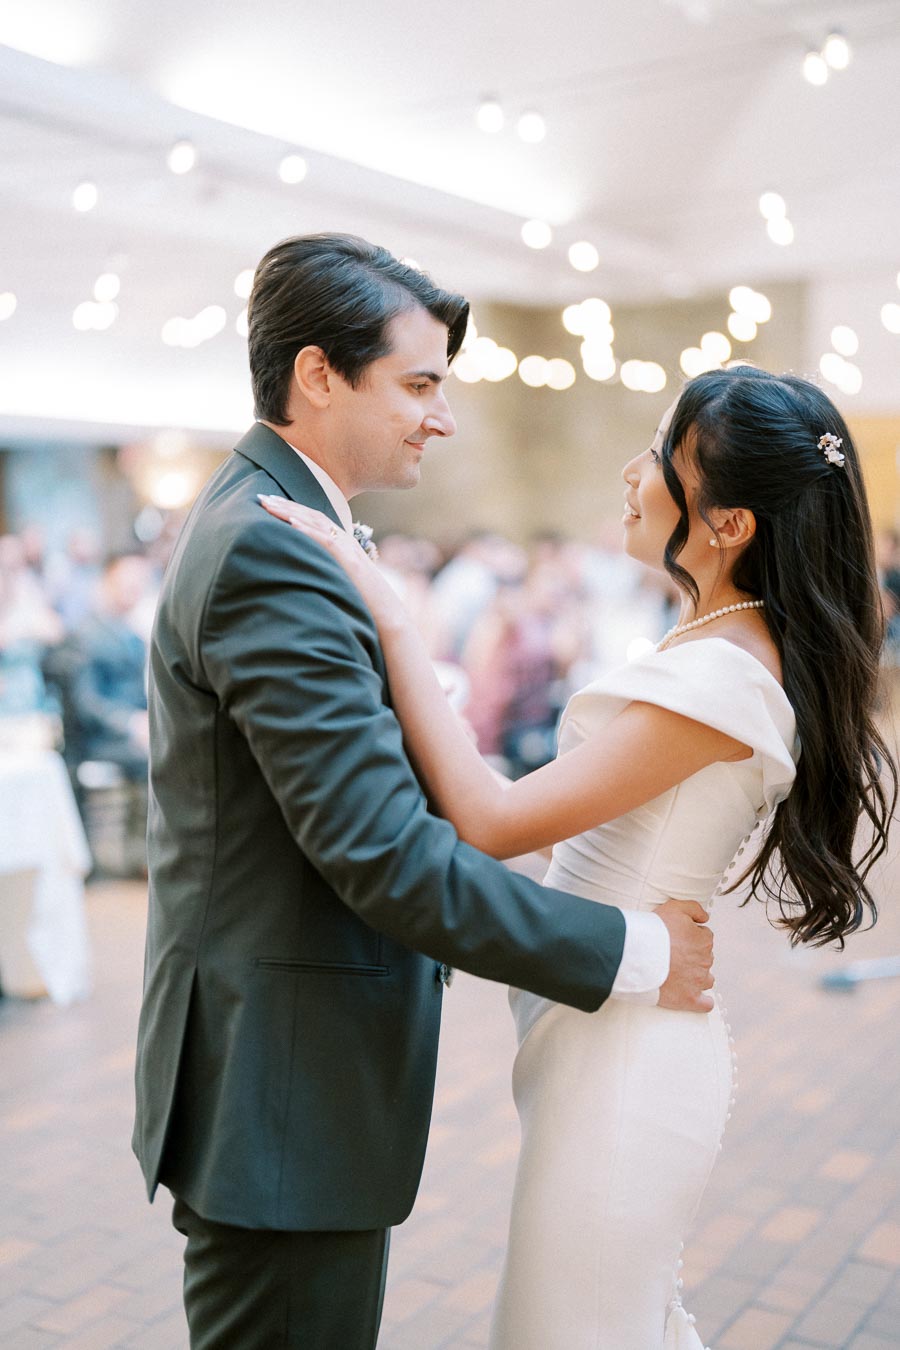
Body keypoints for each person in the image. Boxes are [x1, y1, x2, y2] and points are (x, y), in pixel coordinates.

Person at [131, 234, 713, 1350]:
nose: (440, 417)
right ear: (317, 375)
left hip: (287, 1072)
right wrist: (631, 951)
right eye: (419, 383)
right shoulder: (274, 548)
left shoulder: (290, 522)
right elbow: (385, 858)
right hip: (283, 1093)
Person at [261, 363, 896, 1349]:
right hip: (602, 1037)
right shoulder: (717, 644)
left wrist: (389, 611)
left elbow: (495, 819)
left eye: (659, 456)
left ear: (729, 525)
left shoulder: (726, 674)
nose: (631, 471)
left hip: (629, 1066)